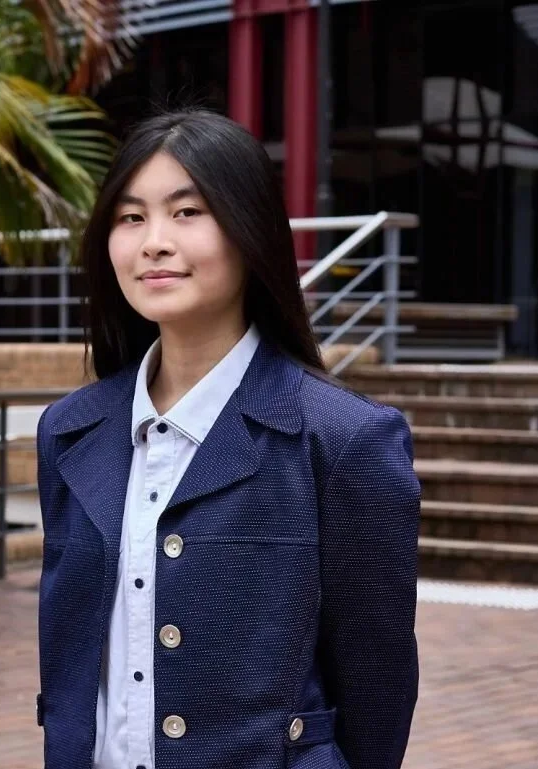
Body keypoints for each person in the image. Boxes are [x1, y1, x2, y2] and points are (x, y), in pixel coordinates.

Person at [35, 109, 420, 769]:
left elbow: (375, 685)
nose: (153, 241)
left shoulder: (345, 440)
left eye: (187, 212)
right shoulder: (70, 431)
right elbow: (73, 666)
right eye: (130, 218)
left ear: (250, 230)